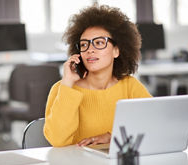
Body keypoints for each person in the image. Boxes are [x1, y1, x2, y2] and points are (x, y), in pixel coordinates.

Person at [44, 4, 152, 147]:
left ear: (116, 51)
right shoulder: (62, 89)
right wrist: (68, 83)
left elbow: (153, 127)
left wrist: (114, 137)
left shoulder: (130, 86)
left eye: (99, 43)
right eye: (84, 45)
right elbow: (57, 140)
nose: (90, 50)